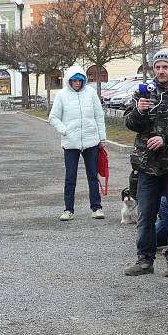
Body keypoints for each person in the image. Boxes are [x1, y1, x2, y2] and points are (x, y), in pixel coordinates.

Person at [124, 48, 168, 278]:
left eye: (166, 67)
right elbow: (130, 124)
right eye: (157, 67)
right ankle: (144, 260)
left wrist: (166, 139)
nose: (161, 71)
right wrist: (138, 111)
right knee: (145, 214)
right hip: (147, 165)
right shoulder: (144, 92)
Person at [48, 64, 107, 221]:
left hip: (91, 141)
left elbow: (99, 116)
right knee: (70, 177)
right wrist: (64, 130)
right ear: (69, 81)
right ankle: (68, 209)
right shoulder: (62, 95)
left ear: (84, 81)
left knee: (93, 176)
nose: (77, 83)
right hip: (71, 143)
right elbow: (53, 117)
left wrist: (102, 138)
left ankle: (96, 207)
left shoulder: (91, 93)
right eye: (74, 81)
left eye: (80, 81)